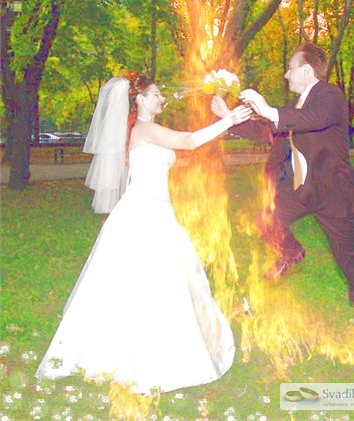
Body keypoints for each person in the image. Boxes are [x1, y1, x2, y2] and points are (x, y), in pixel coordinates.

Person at [35, 71, 252, 393]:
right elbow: (189, 141)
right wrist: (229, 120)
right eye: (155, 95)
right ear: (139, 99)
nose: (162, 99)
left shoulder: (143, 130)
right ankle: (145, 353)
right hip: (146, 212)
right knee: (155, 278)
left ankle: (143, 345)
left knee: (148, 280)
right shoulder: (145, 129)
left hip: (153, 209)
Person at [211, 43, 354, 335]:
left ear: (307, 70)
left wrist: (268, 110)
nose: (286, 74)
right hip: (301, 189)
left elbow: (314, 120)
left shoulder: (330, 96)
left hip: (333, 193)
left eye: (290, 68)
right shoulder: (293, 107)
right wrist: (228, 117)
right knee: (267, 219)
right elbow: (268, 131)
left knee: (346, 256)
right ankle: (292, 252)